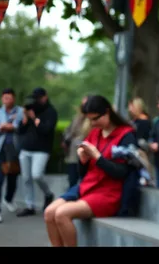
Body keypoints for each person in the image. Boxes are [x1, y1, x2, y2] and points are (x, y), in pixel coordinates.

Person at [43, 95, 137, 247]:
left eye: (95, 119)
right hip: (88, 185)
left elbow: (123, 172)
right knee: (49, 213)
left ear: (107, 112)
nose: (92, 123)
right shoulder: (94, 133)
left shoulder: (126, 135)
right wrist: (83, 161)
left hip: (109, 192)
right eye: (90, 120)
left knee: (62, 214)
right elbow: (84, 172)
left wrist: (98, 158)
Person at [16, 87, 58, 216]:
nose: (35, 101)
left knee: (37, 175)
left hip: (41, 149)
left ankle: (48, 194)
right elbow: (20, 131)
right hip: (26, 148)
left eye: (38, 98)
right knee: (26, 178)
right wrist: (24, 118)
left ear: (45, 97)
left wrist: (34, 119)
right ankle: (30, 206)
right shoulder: (31, 110)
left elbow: (46, 130)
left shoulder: (51, 112)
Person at [0, 88, 24, 223]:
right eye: (5, 98)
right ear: (2, 99)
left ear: (14, 98)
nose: (7, 100)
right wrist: (1, 127)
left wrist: (12, 126)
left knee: (13, 177)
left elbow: (22, 127)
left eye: (9, 98)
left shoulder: (21, 111)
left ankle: (9, 198)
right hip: (0, 150)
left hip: (15, 150)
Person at [62, 96, 91, 188]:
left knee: (84, 182)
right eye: (83, 104)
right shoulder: (77, 117)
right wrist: (66, 139)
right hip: (73, 155)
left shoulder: (93, 119)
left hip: (86, 155)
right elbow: (68, 131)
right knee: (72, 181)